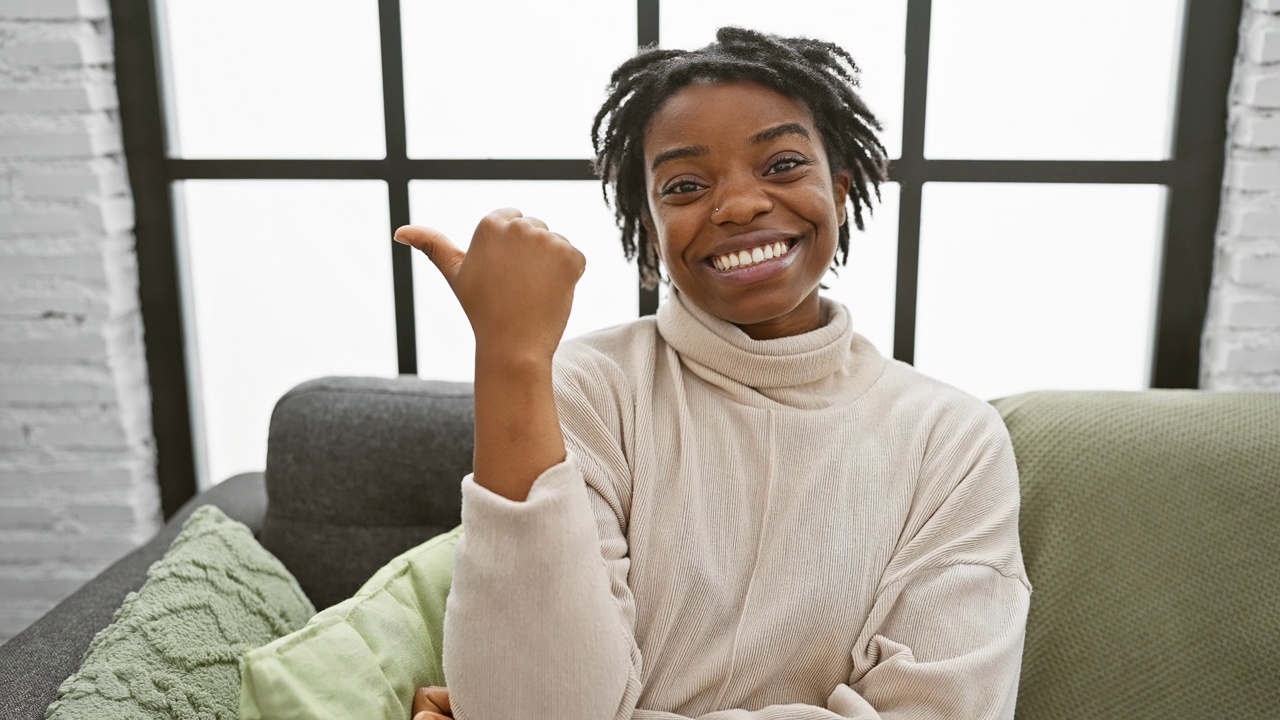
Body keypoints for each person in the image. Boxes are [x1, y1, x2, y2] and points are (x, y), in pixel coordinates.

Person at [394, 26, 1030, 720]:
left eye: (783, 164)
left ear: (841, 191)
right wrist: (511, 356)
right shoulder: (587, 390)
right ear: (649, 222)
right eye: (687, 185)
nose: (738, 205)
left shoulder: (955, 441)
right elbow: (532, 707)